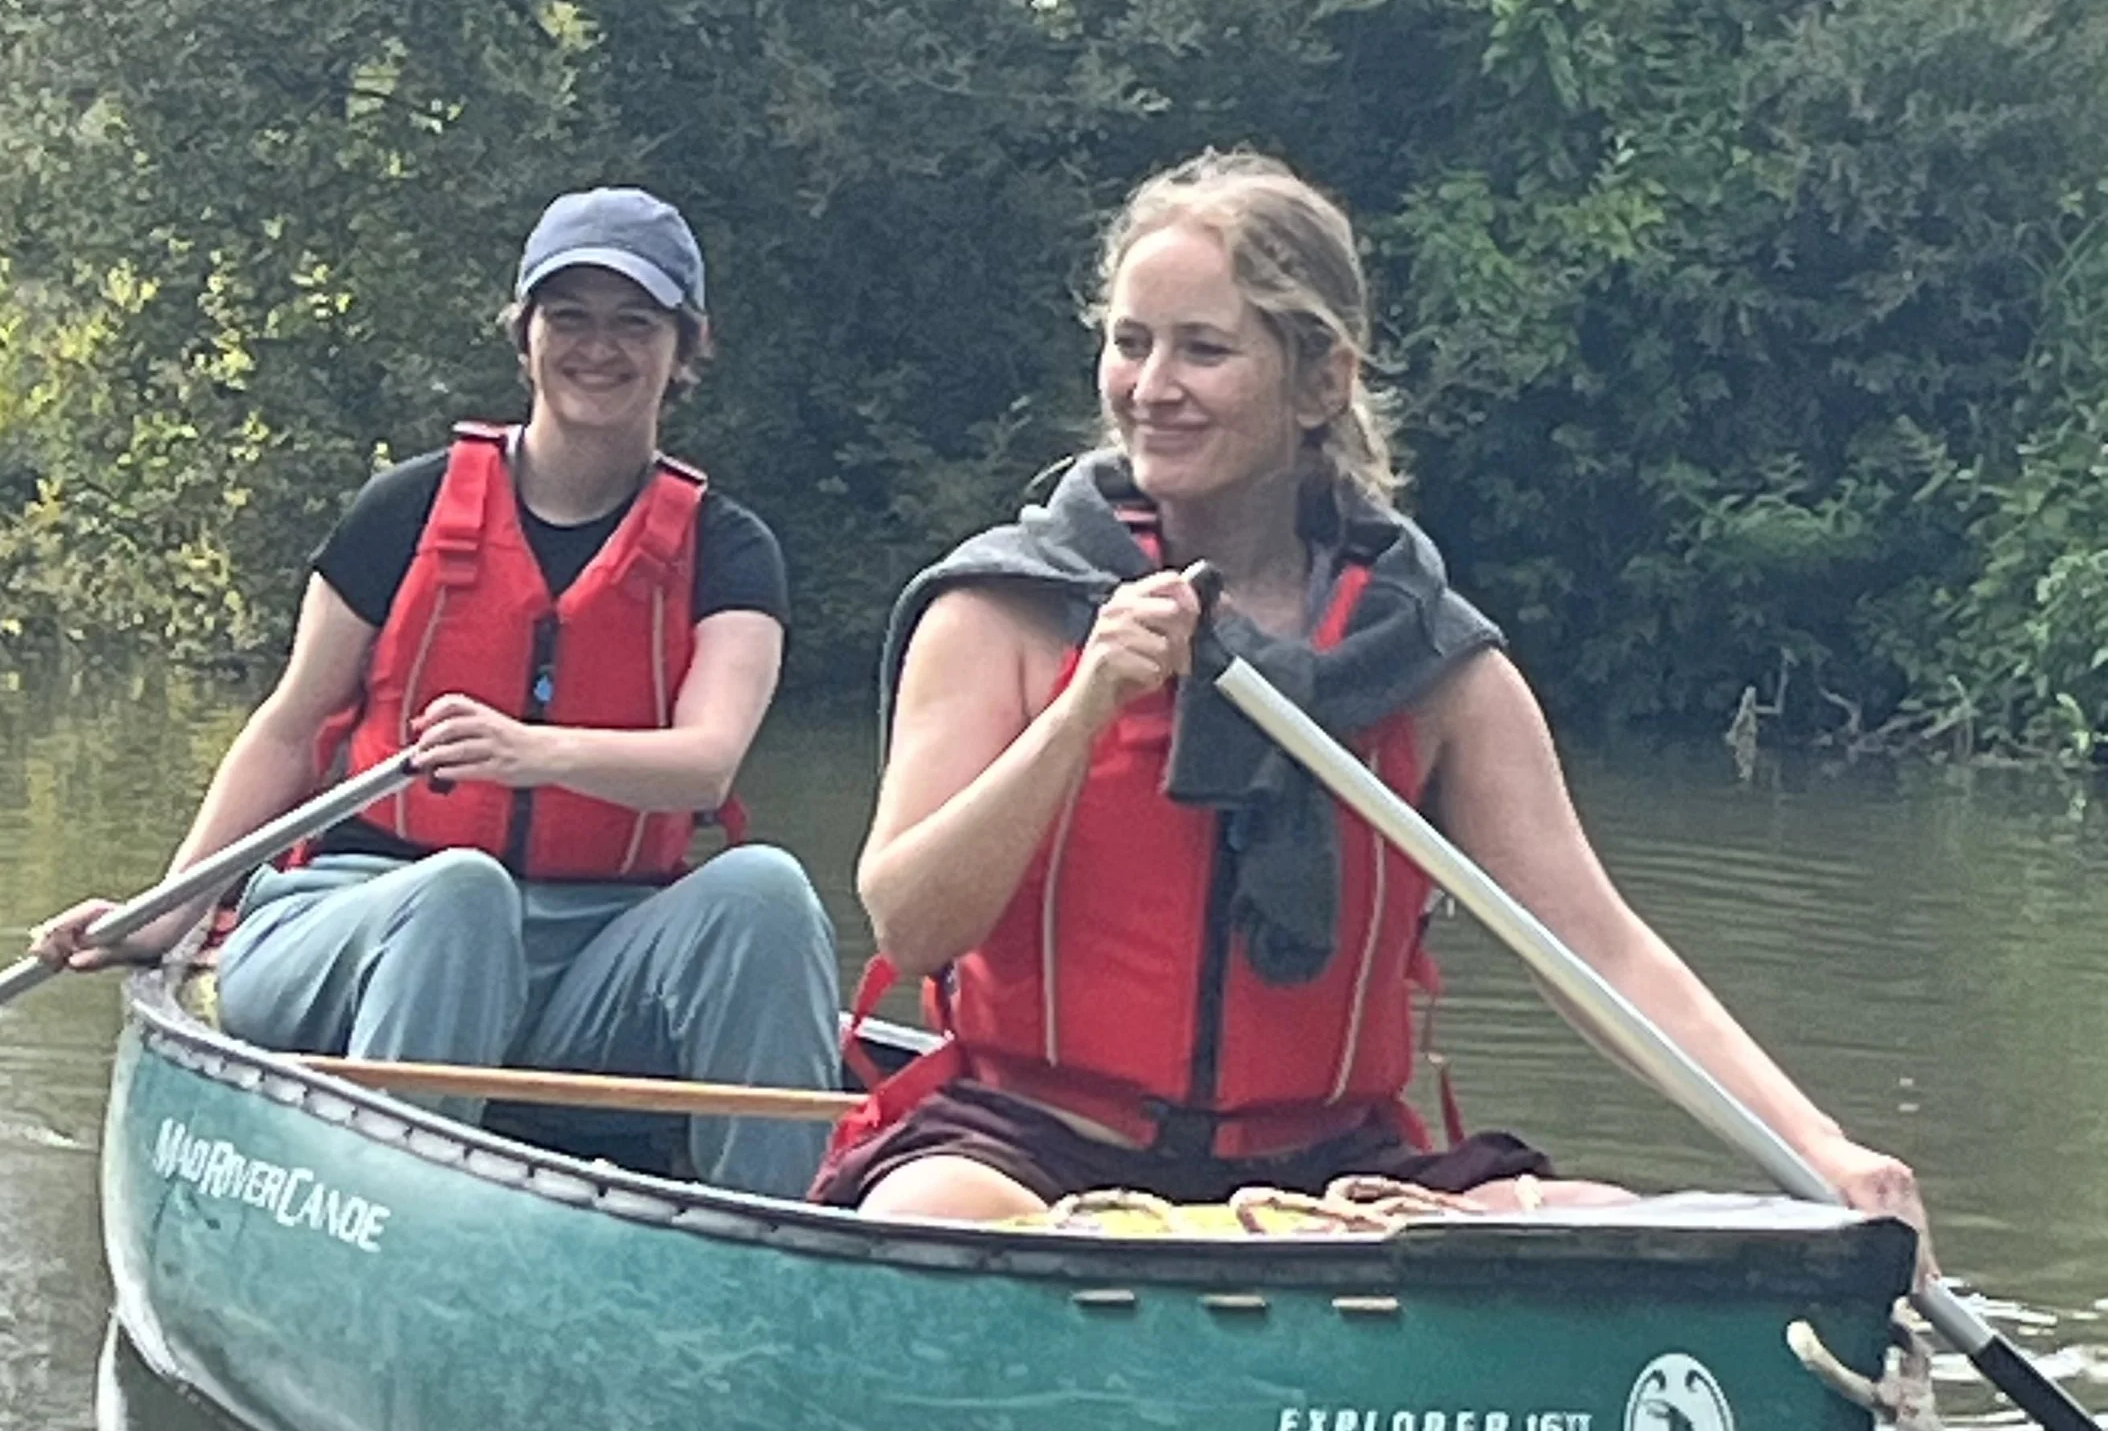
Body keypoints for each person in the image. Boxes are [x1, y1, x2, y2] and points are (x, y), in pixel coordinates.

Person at [815, 150, 1923, 1231]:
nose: (1151, 390)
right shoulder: (1002, 612)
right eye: (1130, 344)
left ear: (1321, 379)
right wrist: (1084, 708)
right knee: (935, 1211)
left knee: (1605, 1227)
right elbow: (909, 926)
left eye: (1203, 350)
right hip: (1032, 1148)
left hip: (1335, 1177)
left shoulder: (1435, 665)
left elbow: (1598, 948)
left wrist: (1819, 1150)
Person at [35, 186, 841, 1200]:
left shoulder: (727, 548)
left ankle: (771, 1241)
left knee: (764, 891)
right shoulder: (404, 510)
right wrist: (164, 913)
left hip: (590, 950)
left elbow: (705, 761)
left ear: (684, 350)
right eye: (569, 318)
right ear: (525, 337)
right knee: (462, 891)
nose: (599, 348)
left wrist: (533, 751)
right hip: (350, 918)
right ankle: (391, 1222)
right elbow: (288, 732)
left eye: (635, 322)